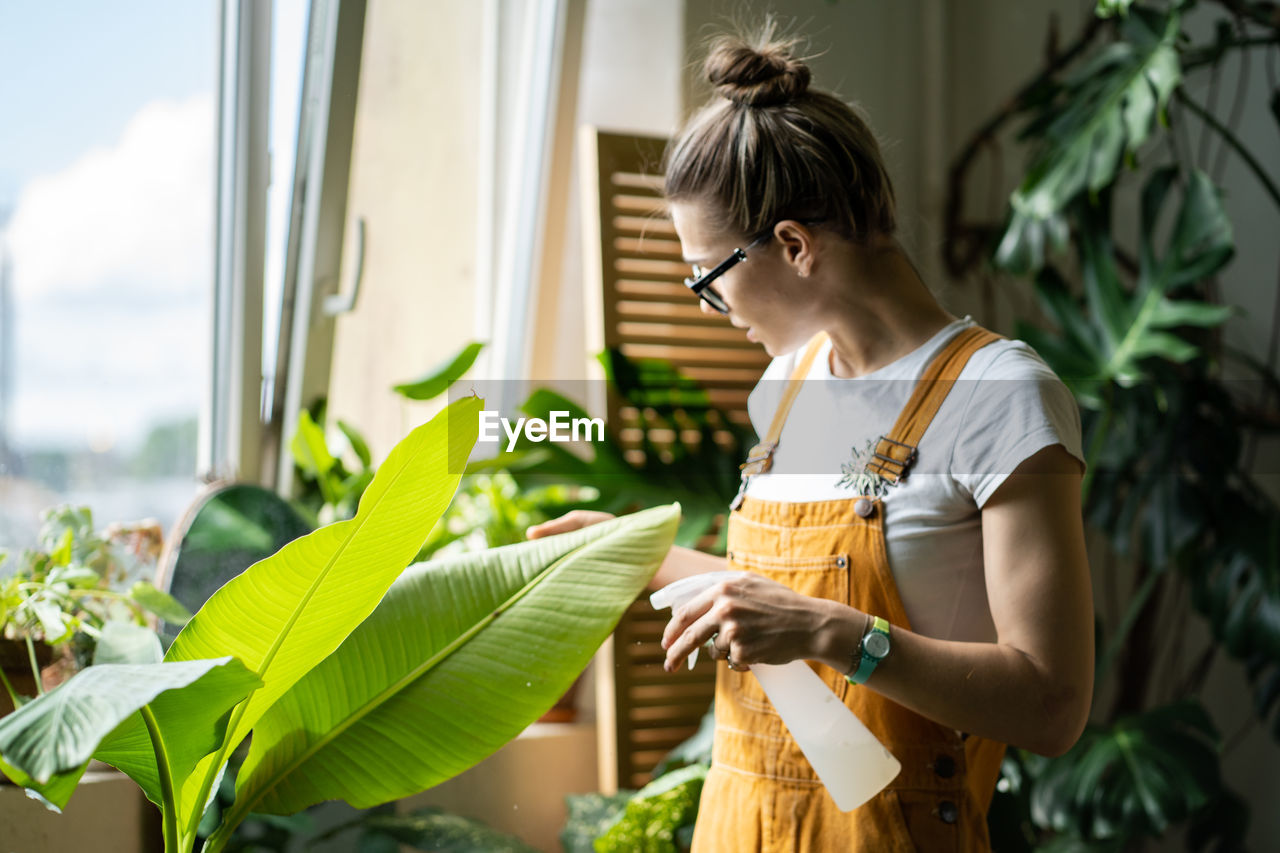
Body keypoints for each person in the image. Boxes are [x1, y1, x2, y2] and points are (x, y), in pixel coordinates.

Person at [528, 25, 1093, 853]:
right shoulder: (787, 390)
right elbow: (777, 602)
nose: (704, 306)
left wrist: (833, 632)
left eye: (708, 278)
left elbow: (1051, 707)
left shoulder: (1001, 397)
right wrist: (626, 550)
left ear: (793, 245)